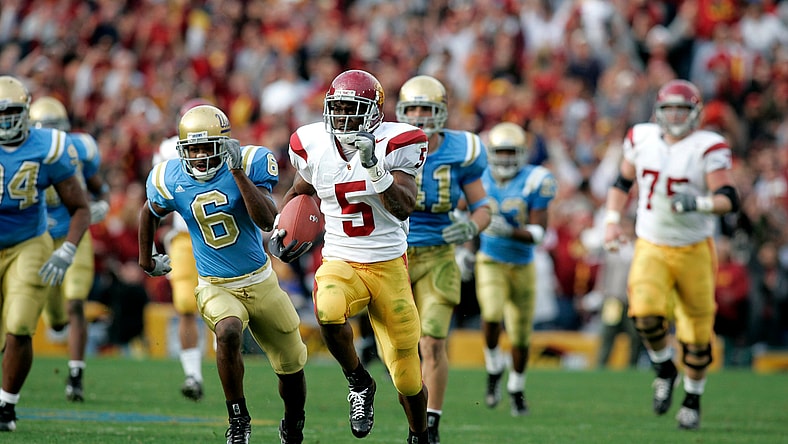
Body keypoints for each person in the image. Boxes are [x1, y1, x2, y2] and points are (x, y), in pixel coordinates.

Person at [270, 70, 430, 443]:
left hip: (388, 265)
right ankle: (359, 381)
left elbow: (404, 206)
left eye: (351, 108)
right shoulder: (315, 145)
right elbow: (299, 190)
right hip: (341, 259)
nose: (341, 117)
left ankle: (419, 434)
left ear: (373, 113)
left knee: (407, 376)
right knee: (326, 308)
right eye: (336, 108)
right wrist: (280, 224)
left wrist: (375, 165)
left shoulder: (396, 143)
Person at [138, 104, 308, 444]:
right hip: (215, 284)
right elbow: (149, 211)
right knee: (228, 330)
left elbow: (265, 218)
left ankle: (293, 421)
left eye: (206, 147)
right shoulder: (170, 176)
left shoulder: (249, 162)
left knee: (291, 366)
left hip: (260, 281)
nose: (199, 156)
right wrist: (147, 259)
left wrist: (237, 174)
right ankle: (238, 418)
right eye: (193, 149)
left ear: (224, 143)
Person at [603, 79, 740, 430]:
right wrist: (612, 221)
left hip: (694, 248)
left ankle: (692, 398)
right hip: (652, 243)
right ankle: (664, 367)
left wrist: (700, 202)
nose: (676, 115)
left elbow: (728, 197)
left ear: (695, 112)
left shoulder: (707, 146)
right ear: (658, 112)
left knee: (695, 335)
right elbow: (622, 183)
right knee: (644, 314)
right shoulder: (640, 138)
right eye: (670, 109)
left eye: (682, 108)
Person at [395, 75, 490, 444]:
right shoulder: (388, 147)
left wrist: (469, 229)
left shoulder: (461, 150)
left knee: (432, 341)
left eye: (427, 109)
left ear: (442, 113)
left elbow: (483, 207)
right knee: (403, 347)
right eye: (413, 109)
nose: (419, 116)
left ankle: (430, 423)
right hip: (394, 256)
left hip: (438, 255)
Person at [0, 75, 90, 431]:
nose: (6, 121)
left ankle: (6, 407)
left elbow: (80, 204)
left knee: (20, 324)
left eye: (12, 113)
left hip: (28, 242)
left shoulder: (48, 146)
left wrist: (67, 249)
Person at [29, 96, 110, 403]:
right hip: (38, 238)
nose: (52, 136)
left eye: (57, 128)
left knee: (75, 302)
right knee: (56, 318)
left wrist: (102, 202)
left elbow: (98, 185)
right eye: (44, 129)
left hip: (76, 234)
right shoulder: (21, 153)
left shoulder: (80, 149)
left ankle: (75, 376)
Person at [474, 122, 557, 417]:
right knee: (492, 314)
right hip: (490, 260)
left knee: (521, 336)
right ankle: (495, 365)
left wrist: (509, 231)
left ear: (522, 154)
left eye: (512, 152)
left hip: (523, 263)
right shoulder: (480, 177)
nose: (507, 159)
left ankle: (516, 387)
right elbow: (462, 211)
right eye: (501, 152)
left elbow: (539, 233)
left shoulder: (536, 180)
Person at [153, 98, 212, 401]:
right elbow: (157, 198)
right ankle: (193, 374)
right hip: (185, 236)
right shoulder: (168, 149)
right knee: (186, 305)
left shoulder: (225, 148)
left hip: (221, 235)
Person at [594, 214, 644, 369]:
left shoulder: (640, 247)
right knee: (608, 332)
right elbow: (604, 272)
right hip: (613, 298)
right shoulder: (614, 247)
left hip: (633, 299)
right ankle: (601, 366)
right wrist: (600, 291)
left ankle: (632, 366)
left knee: (635, 335)